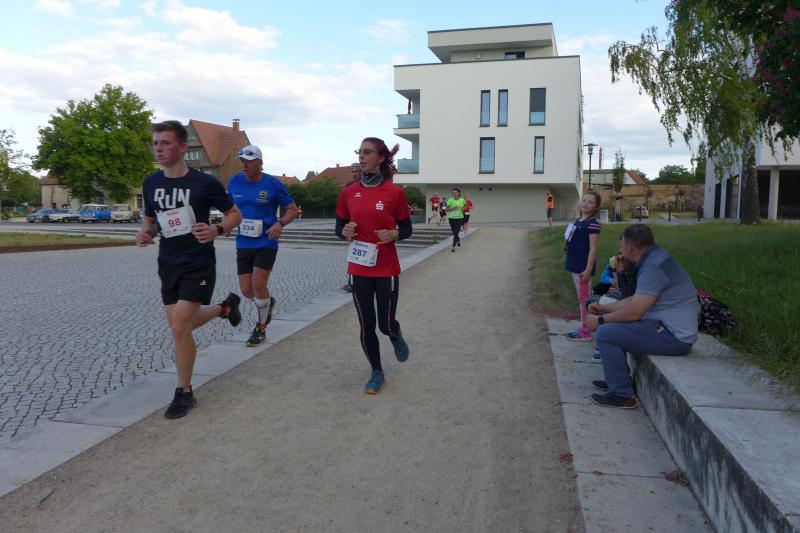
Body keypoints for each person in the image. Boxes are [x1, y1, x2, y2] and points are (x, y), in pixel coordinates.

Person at [136, 120, 243, 420]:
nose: (159, 149)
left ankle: (184, 391)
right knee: (181, 326)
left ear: (182, 147)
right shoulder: (151, 183)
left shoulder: (204, 183)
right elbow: (151, 220)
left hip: (198, 261)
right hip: (168, 262)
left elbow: (234, 214)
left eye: (166, 143)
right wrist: (146, 233)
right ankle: (224, 308)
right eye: (156, 144)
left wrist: (217, 229)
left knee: (178, 327)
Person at [585, 224, 700, 409]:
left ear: (630, 248)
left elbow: (634, 312)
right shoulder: (655, 258)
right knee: (611, 326)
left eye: (621, 245)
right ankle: (617, 379)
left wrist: (599, 320)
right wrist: (606, 309)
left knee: (606, 333)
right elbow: (636, 299)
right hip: (664, 326)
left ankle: (621, 395)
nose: (620, 250)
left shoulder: (653, 268)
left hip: (674, 336)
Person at [335, 137, 412, 394]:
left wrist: (394, 234)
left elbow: (407, 228)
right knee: (366, 325)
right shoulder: (348, 192)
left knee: (384, 324)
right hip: (359, 268)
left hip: (386, 268)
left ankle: (395, 333)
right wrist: (344, 231)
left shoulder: (394, 193)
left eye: (367, 152)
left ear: (380, 158)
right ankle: (376, 371)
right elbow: (339, 226)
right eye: (360, 152)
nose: (362, 156)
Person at [227, 145, 298, 347]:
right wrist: (226, 224)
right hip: (244, 241)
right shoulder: (235, 181)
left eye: (249, 161)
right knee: (246, 290)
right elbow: (229, 209)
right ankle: (267, 302)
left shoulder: (273, 184)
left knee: (258, 284)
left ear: (260, 162)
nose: (244, 165)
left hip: (266, 239)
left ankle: (260, 327)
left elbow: (292, 209)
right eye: (242, 161)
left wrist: (280, 223)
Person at [564, 190, 602, 341]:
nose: (586, 203)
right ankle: (584, 327)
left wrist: (588, 269)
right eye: (584, 200)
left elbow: (593, 249)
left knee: (584, 299)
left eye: (590, 202)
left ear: (596, 207)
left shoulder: (593, 225)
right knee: (582, 297)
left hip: (582, 268)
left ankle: (585, 332)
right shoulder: (578, 221)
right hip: (574, 264)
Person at [342, 163, 362, 293]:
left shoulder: (368, 185)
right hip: (352, 225)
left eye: (356, 171)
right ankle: (352, 281)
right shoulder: (349, 186)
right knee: (354, 254)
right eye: (352, 171)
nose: (354, 174)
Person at [445, 187, 467, 252]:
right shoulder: (450, 200)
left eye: (456, 192)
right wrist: (453, 208)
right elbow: (446, 209)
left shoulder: (462, 200)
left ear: (458, 193)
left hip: (459, 218)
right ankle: (458, 239)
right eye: (453, 193)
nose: (454, 193)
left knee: (456, 232)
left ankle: (453, 246)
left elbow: (466, 206)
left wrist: (463, 208)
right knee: (454, 232)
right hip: (451, 218)